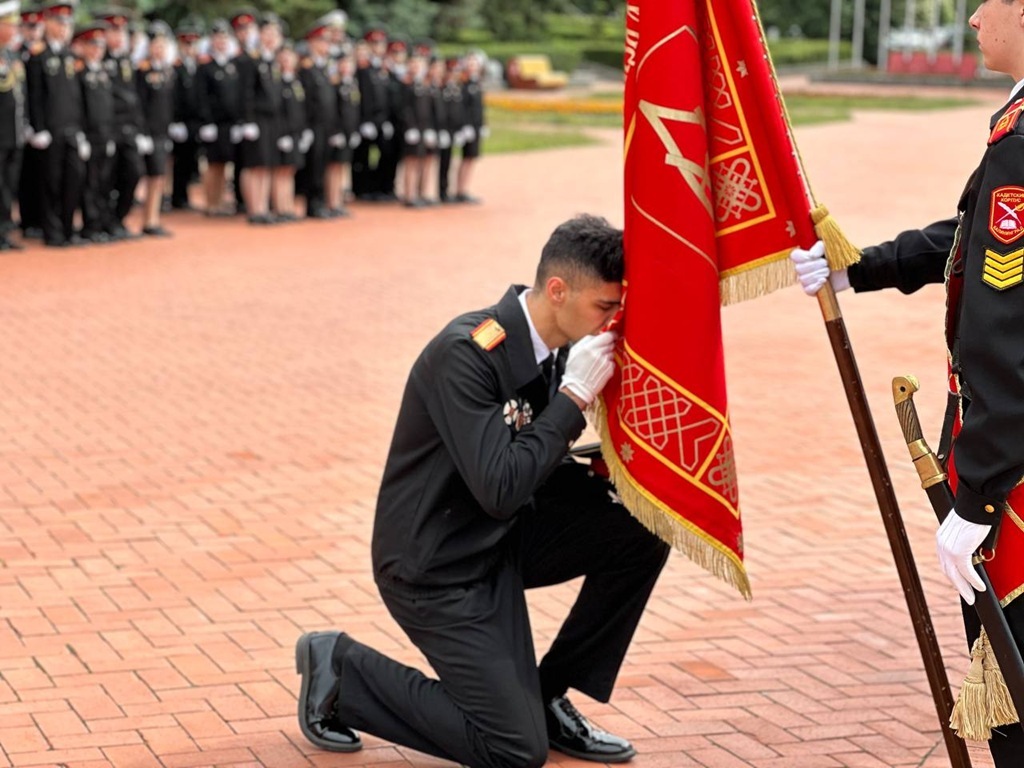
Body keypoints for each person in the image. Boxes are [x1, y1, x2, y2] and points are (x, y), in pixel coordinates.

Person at [295, 214, 671, 768]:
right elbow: (499, 484)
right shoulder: (467, 353)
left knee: (646, 524)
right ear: (558, 290)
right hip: (436, 565)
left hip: (499, 539)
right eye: (605, 307)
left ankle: (546, 694)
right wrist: (573, 398)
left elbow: (528, 464)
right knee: (515, 750)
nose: (612, 322)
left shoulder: (566, 343)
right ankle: (342, 670)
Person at [790, 2, 1024, 764]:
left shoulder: (1021, 141)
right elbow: (967, 236)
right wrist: (861, 268)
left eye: (989, 1)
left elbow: (1004, 334)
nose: (976, 16)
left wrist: (980, 493)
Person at [25, 0, 86, 248]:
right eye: (58, 23)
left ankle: (68, 228)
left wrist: (81, 129)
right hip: (50, 130)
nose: (63, 28)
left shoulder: (71, 56)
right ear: (48, 23)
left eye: (67, 23)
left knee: (73, 180)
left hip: (72, 128)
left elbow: (77, 97)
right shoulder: (38, 56)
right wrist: (38, 128)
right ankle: (52, 232)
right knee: (50, 182)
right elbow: (35, 95)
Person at [97, 5, 142, 240]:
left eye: (121, 32)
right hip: (108, 129)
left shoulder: (125, 60)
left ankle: (118, 218)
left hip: (128, 129)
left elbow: (134, 97)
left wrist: (139, 128)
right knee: (106, 178)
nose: (118, 37)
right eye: (113, 31)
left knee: (133, 173)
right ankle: (104, 222)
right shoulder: (98, 59)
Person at [75, 20, 115, 244]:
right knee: (89, 184)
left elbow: (108, 108)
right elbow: (77, 106)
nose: (97, 50)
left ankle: (101, 222)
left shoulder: (104, 72)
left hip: (104, 134)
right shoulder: (79, 71)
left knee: (103, 182)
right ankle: (90, 226)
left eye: (100, 45)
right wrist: (81, 135)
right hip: (88, 135)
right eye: (93, 44)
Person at [134, 21, 174, 237]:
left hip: (162, 131)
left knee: (159, 177)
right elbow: (138, 104)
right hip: (146, 132)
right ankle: (145, 218)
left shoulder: (167, 70)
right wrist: (141, 132)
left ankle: (152, 218)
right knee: (144, 175)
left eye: (163, 45)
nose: (159, 49)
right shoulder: (142, 71)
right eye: (155, 45)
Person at [169, 21, 203, 211]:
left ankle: (185, 195)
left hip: (196, 120)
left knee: (192, 159)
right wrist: (175, 121)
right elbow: (173, 97)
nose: (190, 47)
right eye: (186, 44)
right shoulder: (176, 67)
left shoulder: (199, 66)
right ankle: (177, 196)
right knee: (180, 161)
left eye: (193, 44)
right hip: (181, 120)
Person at [0, 0, 26, 251]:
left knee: (8, 184)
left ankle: (4, 230)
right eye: (10, 25)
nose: (15, 30)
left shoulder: (12, 54)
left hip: (14, 133)